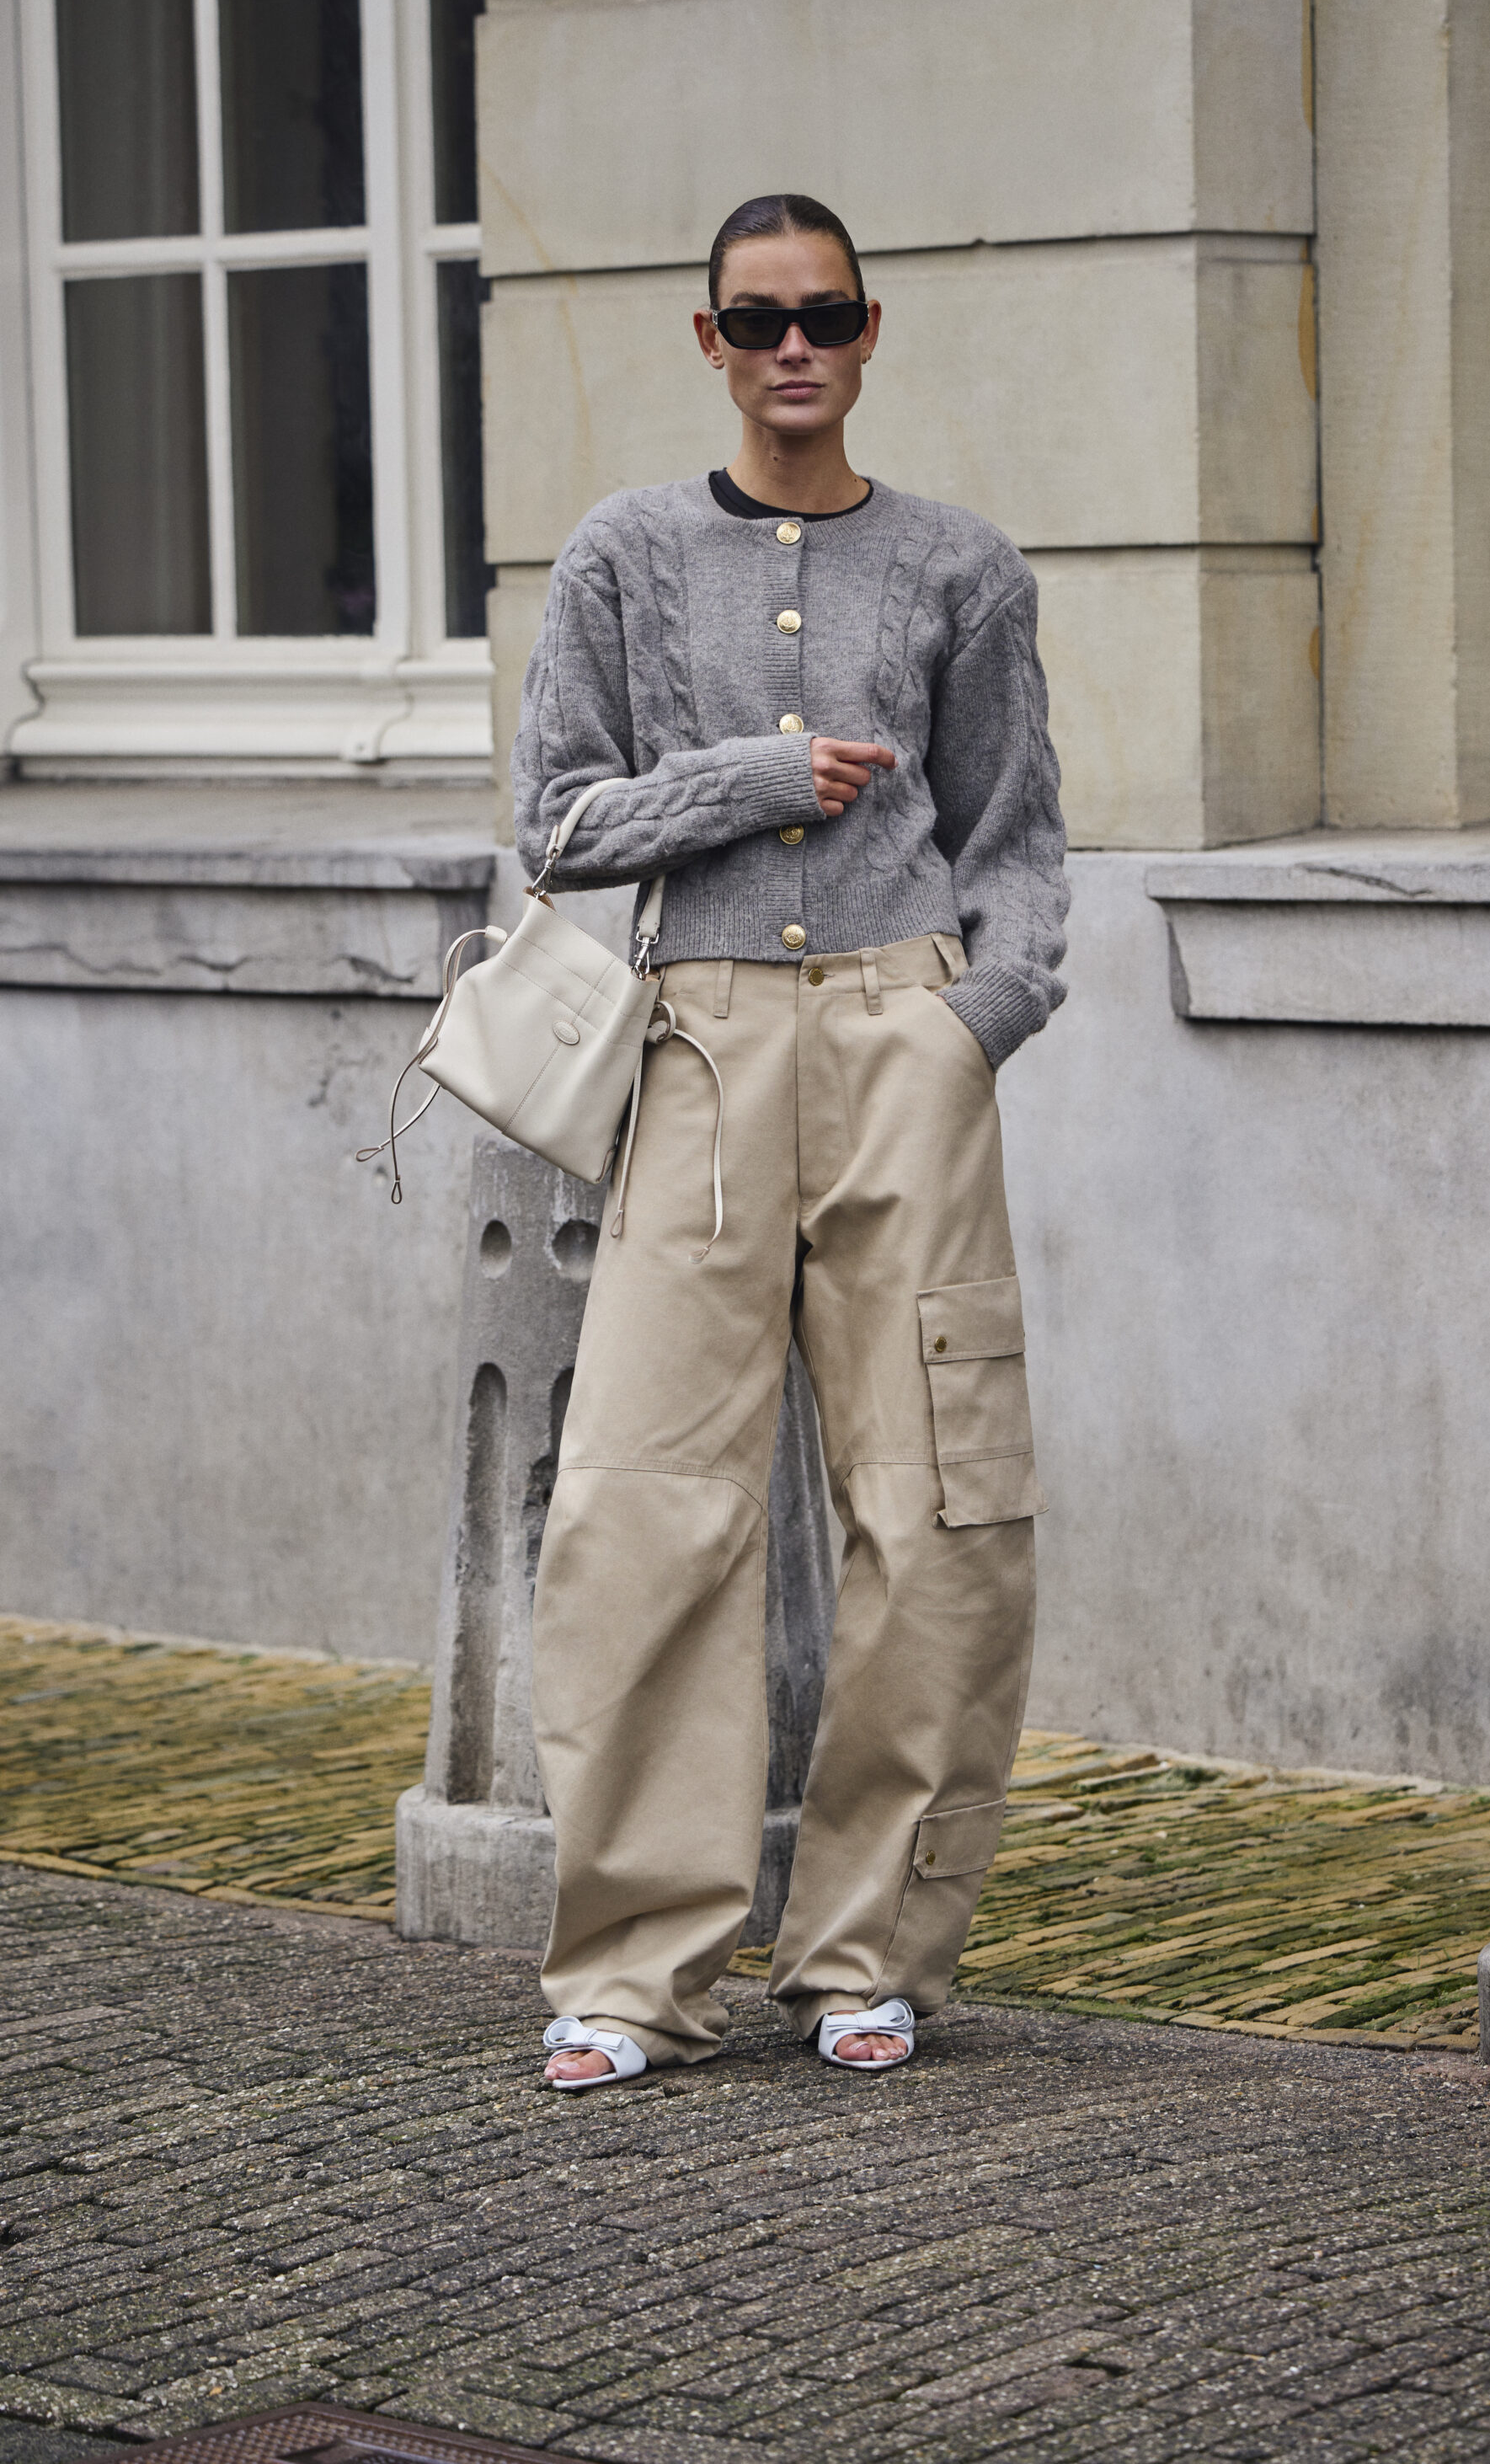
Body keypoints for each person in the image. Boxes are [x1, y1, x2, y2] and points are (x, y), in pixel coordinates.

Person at [511, 191, 1069, 2085]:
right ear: (712, 342)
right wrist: (757, 780)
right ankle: (630, 1972)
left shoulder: (961, 567)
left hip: (909, 1040)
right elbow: (559, 824)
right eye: (758, 321)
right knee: (641, 1503)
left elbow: (1015, 839)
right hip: (701, 1044)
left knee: (935, 1501)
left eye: (825, 314)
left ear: (869, 327)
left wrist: (973, 1027)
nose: (795, 348)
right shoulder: (623, 553)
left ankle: (866, 1953)